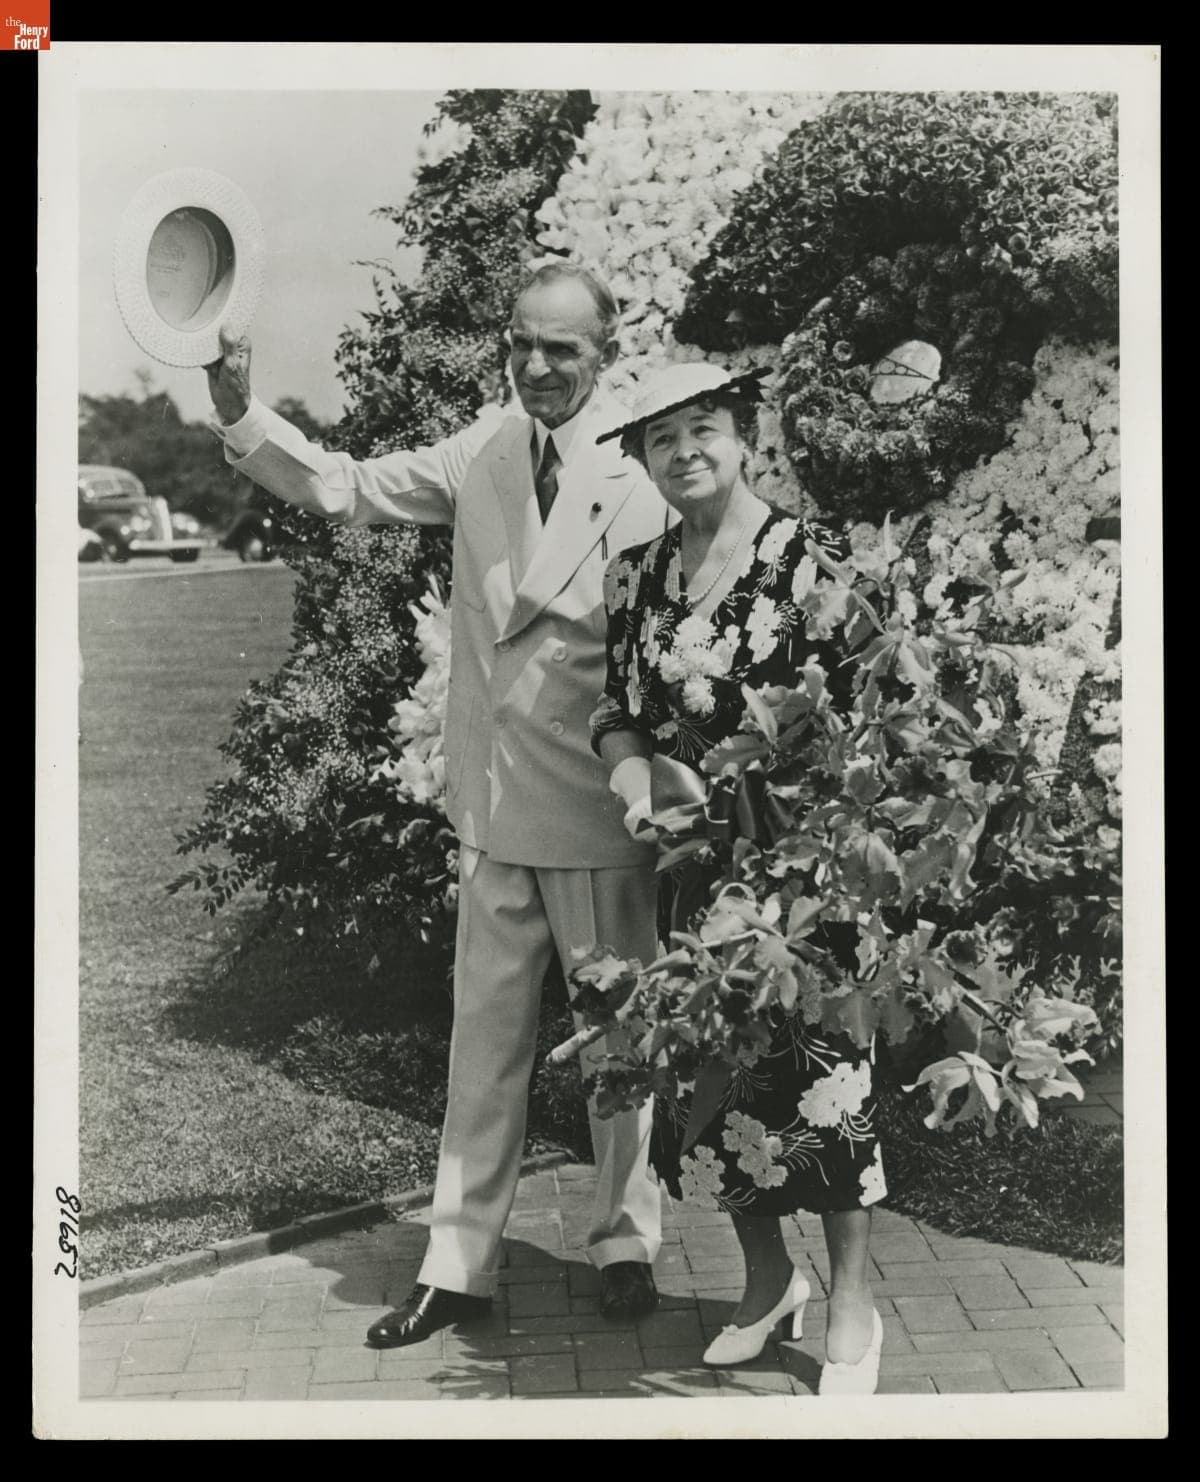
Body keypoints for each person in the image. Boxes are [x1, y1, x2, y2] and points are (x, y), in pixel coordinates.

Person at [204, 263, 669, 1346]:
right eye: (521, 343)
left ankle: (626, 1243)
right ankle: (457, 1264)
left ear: (606, 353)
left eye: (561, 348)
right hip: (494, 808)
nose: (536, 366)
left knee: (620, 1048)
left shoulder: (645, 466)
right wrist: (237, 408)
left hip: (601, 811)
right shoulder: (487, 447)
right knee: (483, 1047)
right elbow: (343, 486)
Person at [590, 361, 885, 1394]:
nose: (684, 452)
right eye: (660, 437)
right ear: (642, 459)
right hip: (695, 882)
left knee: (824, 1090)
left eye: (703, 427)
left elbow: (871, 717)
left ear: (744, 435)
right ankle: (768, 1284)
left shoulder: (810, 561)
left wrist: (811, 824)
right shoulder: (633, 576)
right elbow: (616, 710)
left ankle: (850, 1303)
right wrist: (634, 778)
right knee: (711, 1100)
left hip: (808, 883)